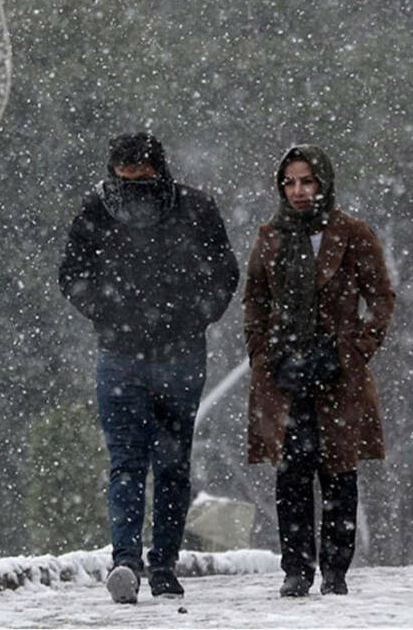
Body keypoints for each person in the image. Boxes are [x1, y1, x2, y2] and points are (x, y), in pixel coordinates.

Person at [59, 132, 239, 603]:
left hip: (167, 355)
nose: (134, 189)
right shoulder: (101, 210)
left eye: (141, 177)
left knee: (160, 465)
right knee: (137, 464)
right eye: (126, 178)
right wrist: (113, 312)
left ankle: (154, 562)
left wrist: (190, 315)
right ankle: (133, 561)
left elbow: (223, 273)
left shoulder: (194, 210)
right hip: (129, 354)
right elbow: (72, 274)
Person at [243, 144, 394, 597]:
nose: (298, 191)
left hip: (337, 374)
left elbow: (381, 297)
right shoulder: (270, 235)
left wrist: (354, 349)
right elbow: (255, 301)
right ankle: (296, 569)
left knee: (338, 472)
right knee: (291, 474)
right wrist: (264, 355)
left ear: (323, 182)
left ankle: (335, 571)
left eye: (307, 180)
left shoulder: (351, 232)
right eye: (289, 182)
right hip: (284, 374)